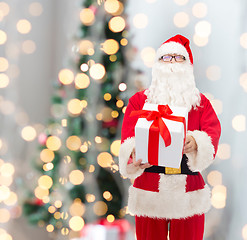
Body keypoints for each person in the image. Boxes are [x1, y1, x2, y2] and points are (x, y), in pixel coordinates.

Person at [118, 34, 221, 240]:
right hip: (149, 187)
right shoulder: (139, 101)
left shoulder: (200, 104)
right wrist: (134, 155)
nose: (172, 63)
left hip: (187, 190)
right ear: (157, 64)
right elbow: (127, 139)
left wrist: (197, 143)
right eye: (166, 58)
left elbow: (212, 134)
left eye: (178, 58)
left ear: (188, 64)